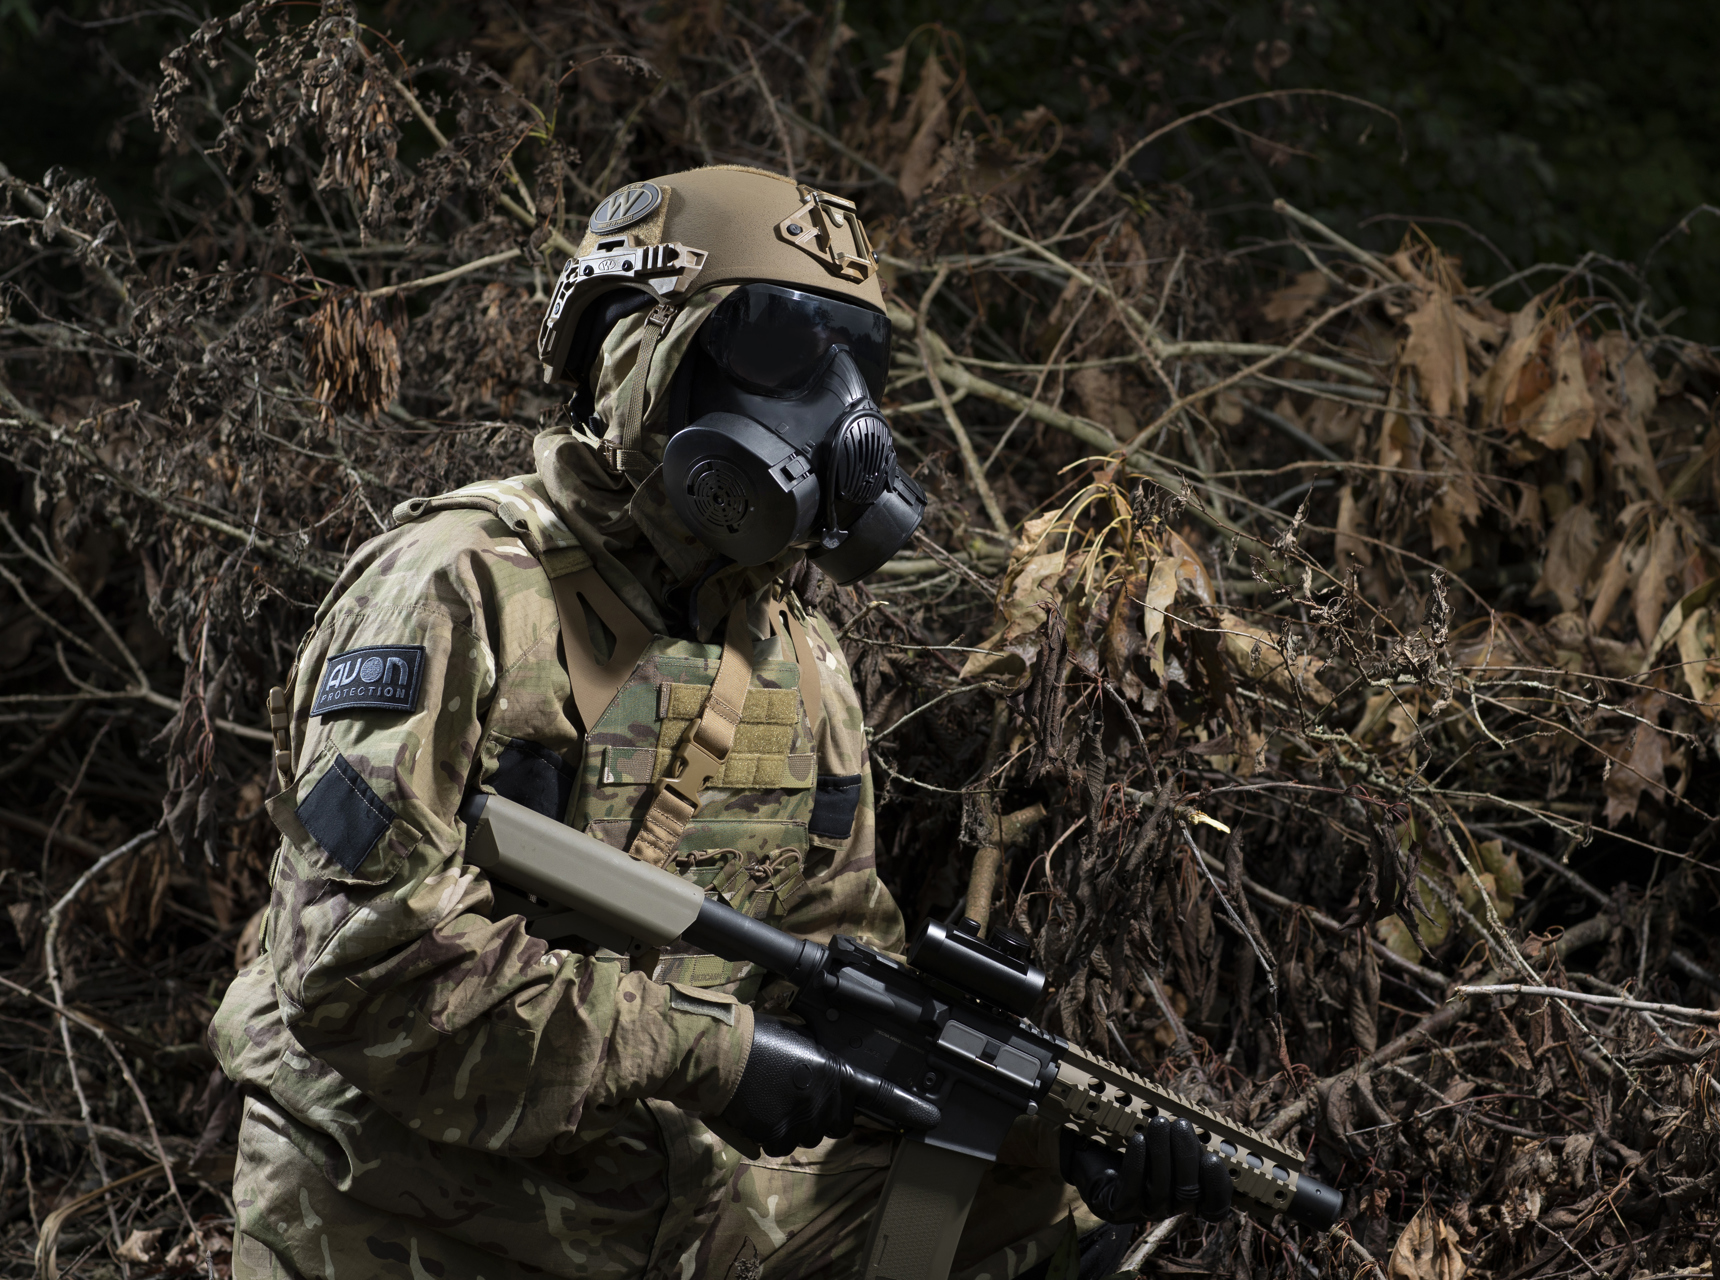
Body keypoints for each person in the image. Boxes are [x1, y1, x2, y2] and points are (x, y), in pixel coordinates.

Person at [208, 165, 1226, 1280]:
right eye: (783, 349)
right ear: (641, 353)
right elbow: (361, 966)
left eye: (859, 365)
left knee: (1018, 1209)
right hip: (406, 1212)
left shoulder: (802, 661)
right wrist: (718, 1055)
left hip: (655, 1209)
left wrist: (1049, 1137)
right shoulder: (460, 587)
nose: (842, 415)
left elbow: (831, 970)